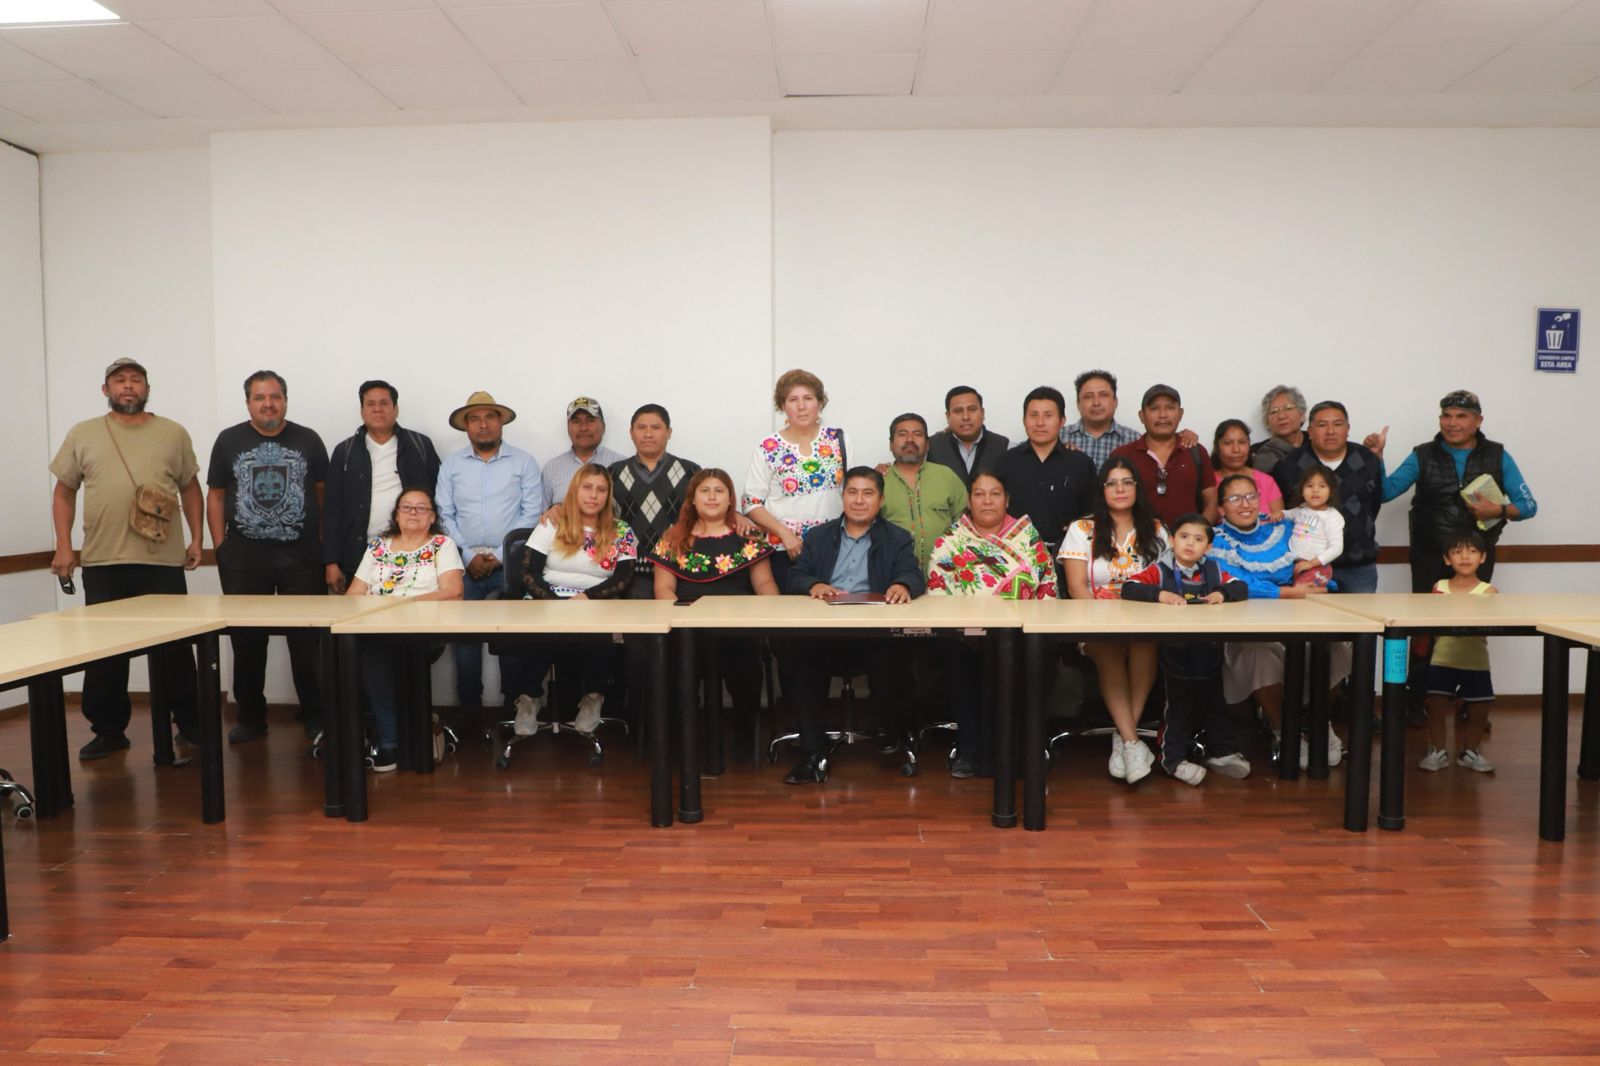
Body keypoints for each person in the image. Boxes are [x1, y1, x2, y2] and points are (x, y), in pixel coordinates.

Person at [49, 358, 205, 761]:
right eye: (120, 381)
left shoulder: (173, 433)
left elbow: (191, 488)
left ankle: (190, 725)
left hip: (162, 560)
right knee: (105, 653)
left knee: (175, 648)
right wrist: (64, 546)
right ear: (106, 390)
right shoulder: (83, 433)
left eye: (136, 380)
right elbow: (64, 491)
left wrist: (197, 538)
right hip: (103, 560)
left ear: (147, 389)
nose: (129, 386)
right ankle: (108, 731)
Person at [1368, 389, 1537, 719]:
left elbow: (1529, 506)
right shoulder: (1422, 454)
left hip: (1477, 556)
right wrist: (1376, 459)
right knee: (1424, 630)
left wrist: (1498, 509)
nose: (1452, 423)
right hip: (1430, 554)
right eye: (1446, 416)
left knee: (1471, 629)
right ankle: (1417, 701)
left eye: (1461, 416)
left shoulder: (1498, 455)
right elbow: (1386, 492)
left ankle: (1469, 702)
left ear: (1478, 421)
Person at [779, 467, 923, 785]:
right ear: (842, 497)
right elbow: (795, 576)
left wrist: (902, 584)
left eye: (868, 493)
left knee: (896, 654)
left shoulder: (897, 538)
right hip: (825, 635)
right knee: (796, 655)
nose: (859, 500)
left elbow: (913, 574)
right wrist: (813, 584)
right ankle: (813, 753)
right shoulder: (818, 536)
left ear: (881, 500)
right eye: (852, 492)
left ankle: (888, 731)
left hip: (876, 636)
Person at [206, 370, 329, 743]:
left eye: (275, 396)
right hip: (244, 559)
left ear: (285, 400)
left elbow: (323, 494)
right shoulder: (228, 441)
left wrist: (323, 546)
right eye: (259, 397)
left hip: (302, 558)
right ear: (248, 403)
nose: (268, 404)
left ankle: (315, 713)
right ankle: (250, 717)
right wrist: (221, 547)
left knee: (308, 642)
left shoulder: (308, 440)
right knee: (246, 642)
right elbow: (216, 495)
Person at [1209, 473, 1348, 768]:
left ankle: (1319, 723)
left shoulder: (1284, 526)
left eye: (1251, 496)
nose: (1245, 504)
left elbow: (1312, 559)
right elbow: (1235, 583)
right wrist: (1288, 592)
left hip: (1298, 621)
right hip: (1248, 629)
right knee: (1258, 652)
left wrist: (1318, 581)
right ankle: (1284, 729)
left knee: (1336, 648)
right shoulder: (1216, 540)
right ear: (1221, 508)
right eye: (1234, 499)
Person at [925, 470, 1055, 777]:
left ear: (1007, 499)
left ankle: (1022, 750)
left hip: (1022, 636)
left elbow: (1048, 590)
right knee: (957, 657)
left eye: (995, 494)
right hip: (966, 638)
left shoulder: (1028, 538)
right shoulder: (950, 542)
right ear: (969, 500)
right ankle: (970, 747)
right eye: (979, 494)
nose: (987, 501)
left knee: (1040, 656)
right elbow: (938, 597)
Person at [1059, 456, 1169, 784]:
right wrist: (1104, 624)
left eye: (1126, 482)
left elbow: (1166, 581)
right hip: (1094, 622)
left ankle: (1126, 738)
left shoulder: (1158, 530)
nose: (1120, 489)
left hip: (1145, 623)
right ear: (1102, 490)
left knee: (1144, 644)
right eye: (1112, 483)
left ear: (1137, 488)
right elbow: (1077, 587)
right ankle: (1133, 741)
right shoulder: (1082, 529)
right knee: (1107, 649)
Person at [1122, 513, 1251, 785]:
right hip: (1175, 652)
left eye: (1198, 539)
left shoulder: (1213, 570)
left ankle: (1223, 752)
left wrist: (1222, 594)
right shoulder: (1160, 570)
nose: (1190, 543)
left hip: (1209, 649)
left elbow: (1240, 587)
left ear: (1208, 547)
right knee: (1177, 708)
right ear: (1172, 540)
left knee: (1215, 702)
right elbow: (1129, 587)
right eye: (1183, 537)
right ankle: (1172, 760)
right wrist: (1159, 594)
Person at [435, 390, 542, 714]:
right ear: (466, 426)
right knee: (465, 643)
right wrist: (468, 556)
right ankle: (470, 712)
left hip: (509, 567)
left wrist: (498, 554)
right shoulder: (451, 466)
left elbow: (531, 514)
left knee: (510, 641)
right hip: (462, 567)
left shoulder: (523, 462)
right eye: (475, 419)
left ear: (500, 423)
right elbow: (444, 514)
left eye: (490, 417)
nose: (483, 425)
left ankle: (513, 710)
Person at [343, 486, 464, 772]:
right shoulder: (378, 546)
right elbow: (354, 594)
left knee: (378, 656)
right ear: (396, 515)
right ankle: (360, 738)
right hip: (376, 626)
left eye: (421, 508)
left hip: (424, 629)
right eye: (406, 507)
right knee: (339, 653)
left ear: (432, 517)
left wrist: (402, 603)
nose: (413, 512)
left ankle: (392, 742)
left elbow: (453, 591)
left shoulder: (442, 545)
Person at [515, 464, 639, 734]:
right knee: (534, 631)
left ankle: (593, 698)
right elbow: (528, 572)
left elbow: (623, 577)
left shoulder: (621, 531)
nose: (593, 495)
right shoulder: (553, 523)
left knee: (601, 632)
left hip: (596, 600)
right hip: (548, 598)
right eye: (587, 487)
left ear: (608, 495)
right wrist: (555, 604)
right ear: (574, 490)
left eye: (601, 490)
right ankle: (528, 699)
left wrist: (587, 597)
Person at [653, 469, 779, 734]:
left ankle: (744, 740)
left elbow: (764, 584)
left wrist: (770, 615)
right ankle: (686, 740)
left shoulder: (748, 535)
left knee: (745, 669)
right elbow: (664, 588)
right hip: (688, 629)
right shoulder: (673, 538)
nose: (712, 497)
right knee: (673, 670)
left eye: (719, 491)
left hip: (738, 628)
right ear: (692, 499)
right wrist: (682, 621)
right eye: (705, 491)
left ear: (730, 499)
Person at [322, 379, 441, 593]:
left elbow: (438, 497)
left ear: (396, 409)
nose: (377, 409)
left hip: (413, 551)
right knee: (358, 611)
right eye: (371, 404)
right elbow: (331, 510)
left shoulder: (420, 445)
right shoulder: (345, 452)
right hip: (358, 554)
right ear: (362, 411)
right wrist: (331, 562)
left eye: (384, 403)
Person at [742, 368, 847, 588]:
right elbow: (751, 503)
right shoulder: (768, 447)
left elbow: (853, 490)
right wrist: (785, 535)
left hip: (834, 546)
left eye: (808, 398)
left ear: (819, 403)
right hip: (785, 550)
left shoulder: (838, 440)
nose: (801, 406)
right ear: (783, 406)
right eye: (793, 400)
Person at [1269, 400, 1384, 593]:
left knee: (1361, 613)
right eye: (1322, 425)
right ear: (1310, 431)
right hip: (1306, 567)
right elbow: (1284, 511)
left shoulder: (1367, 459)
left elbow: (1374, 505)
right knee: (1310, 613)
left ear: (1348, 429)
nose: (1330, 431)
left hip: (1358, 567)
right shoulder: (1289, 465)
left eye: (1337, 424)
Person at [1417, 529, 1498, 774]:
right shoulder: (1439, 587)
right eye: (1457, 551)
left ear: (1483, 557)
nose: (1465, 557)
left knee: (1479, 710)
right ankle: (1438, 750)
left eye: (1472, 551)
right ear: (1446, 559)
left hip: (1476, 659)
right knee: (1436, 706)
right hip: (1442, 658)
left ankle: (1470, 751)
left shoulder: (1488, 591)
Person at [608, 404, 702, 600]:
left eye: (656, 427)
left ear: (669, 432)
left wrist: (736, 516)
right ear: (631, 433)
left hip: (680, 570)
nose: (648, 434)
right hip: (629, 575)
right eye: (641, 427)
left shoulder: (691, 471)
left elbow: (710, 511)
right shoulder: (613, 473)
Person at [997, 386, 1098, 555]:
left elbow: (1092, 513)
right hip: (1014, 555)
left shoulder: (1080, 463)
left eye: (1048, 415)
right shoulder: (1006, 462)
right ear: (1024, 420)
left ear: (1062, 421)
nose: (1040, 423)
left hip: (1068, 555)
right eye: (1033, 415)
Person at [1111, 384, 1217, 531]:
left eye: (1170, 408)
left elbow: (1211, 503)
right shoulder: (1122, 455)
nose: (1162, 415)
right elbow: (1110, 504)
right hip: (1137, 542)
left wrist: (1196, 534)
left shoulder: (1196, 452)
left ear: (1180, 414)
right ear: (1142, 416)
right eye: (1154, 408)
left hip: (1187, 543)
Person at [880, 412, 968, 572]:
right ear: (891, 444)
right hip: (893, 578)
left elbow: (967, 524)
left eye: (917, 434)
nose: (910, 440)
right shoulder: (878, 482)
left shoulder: (947, 476)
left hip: (946, 576)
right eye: (902, 434)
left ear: (927, 445)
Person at [541, 397, 626, 511]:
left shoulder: (622, 466)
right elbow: (543, 515)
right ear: (568, 427)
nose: (583, 427)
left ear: (603, 427)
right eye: (576, 421)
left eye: (591, 420)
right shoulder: (552, 468)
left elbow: (627, 515)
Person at [927, 386, 1009, 488]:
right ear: (948, 416)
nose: (966, 417)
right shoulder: (930, 447)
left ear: (982, 413)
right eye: (958, 411)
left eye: (972, 409)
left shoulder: (1005, 446)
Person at [1060, 369, 1142, 469]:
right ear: (1078, 404)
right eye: (1088, 397)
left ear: (1115, 402)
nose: (1096, 403)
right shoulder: (1059, 437)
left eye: (1103, 395)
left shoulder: (1134, 440)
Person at [1211, 419, 1283, 520]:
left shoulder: (1266, 481)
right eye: (1228, 443)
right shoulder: (1209, 483)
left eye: (1242, 442)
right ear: (1217, 447)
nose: (1236, 449)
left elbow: (1280, 522)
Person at [1283, 466, 1344, 588]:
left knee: (1302, 594)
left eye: (1322, 486)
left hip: (1317, 567)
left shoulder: (1332, 517)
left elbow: (1337, 548)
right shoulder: (1302, 509)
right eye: (1310, 486)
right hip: (1296, 564)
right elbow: (1288, 514)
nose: (1315, 490)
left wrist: (1311, 564)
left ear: (1331, 491)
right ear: (1302, 491)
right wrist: (1279, 514)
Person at [1252, 385, 1307, 471]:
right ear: (1267, 422)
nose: (1281, 416)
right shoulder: (1258, 452)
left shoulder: (1316, 444)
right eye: (1274, 411)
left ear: (1302, 415)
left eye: (1288, 408)